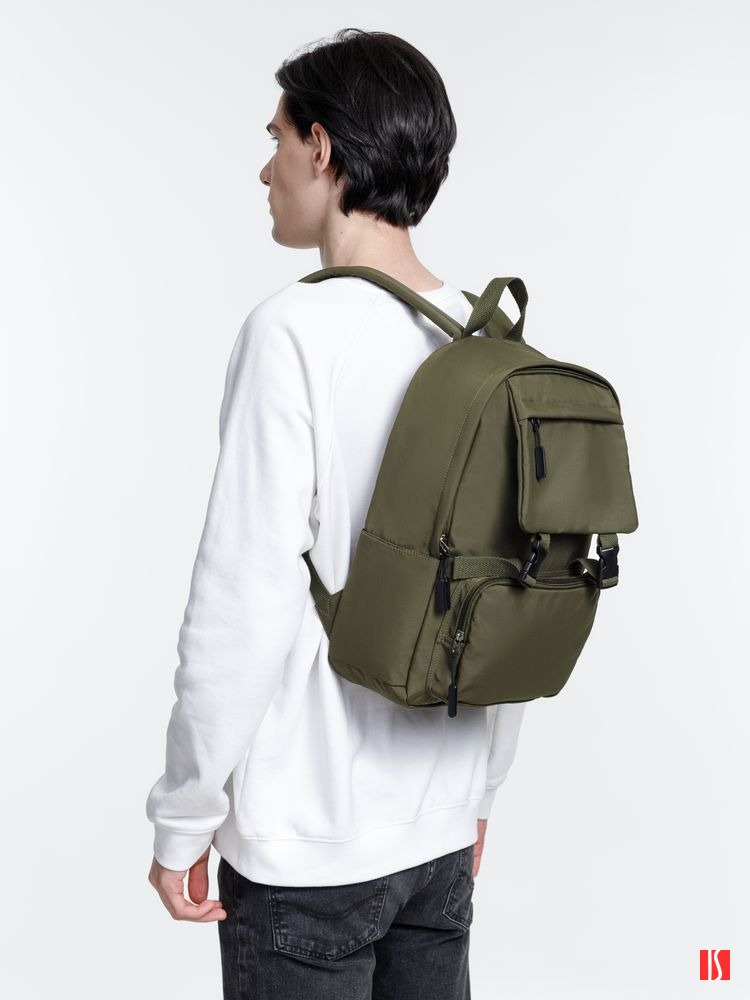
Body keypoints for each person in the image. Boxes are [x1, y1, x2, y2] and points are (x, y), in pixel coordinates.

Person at [146, 27, 526, 999]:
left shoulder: (293, 333)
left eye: (275, 138)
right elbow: (506, 594)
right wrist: (480, 789)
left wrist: (184, 817)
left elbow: (241, 602)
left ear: (321, 148)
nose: (264, 168)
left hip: (308, 851)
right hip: (441, 838)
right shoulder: (484, 337)